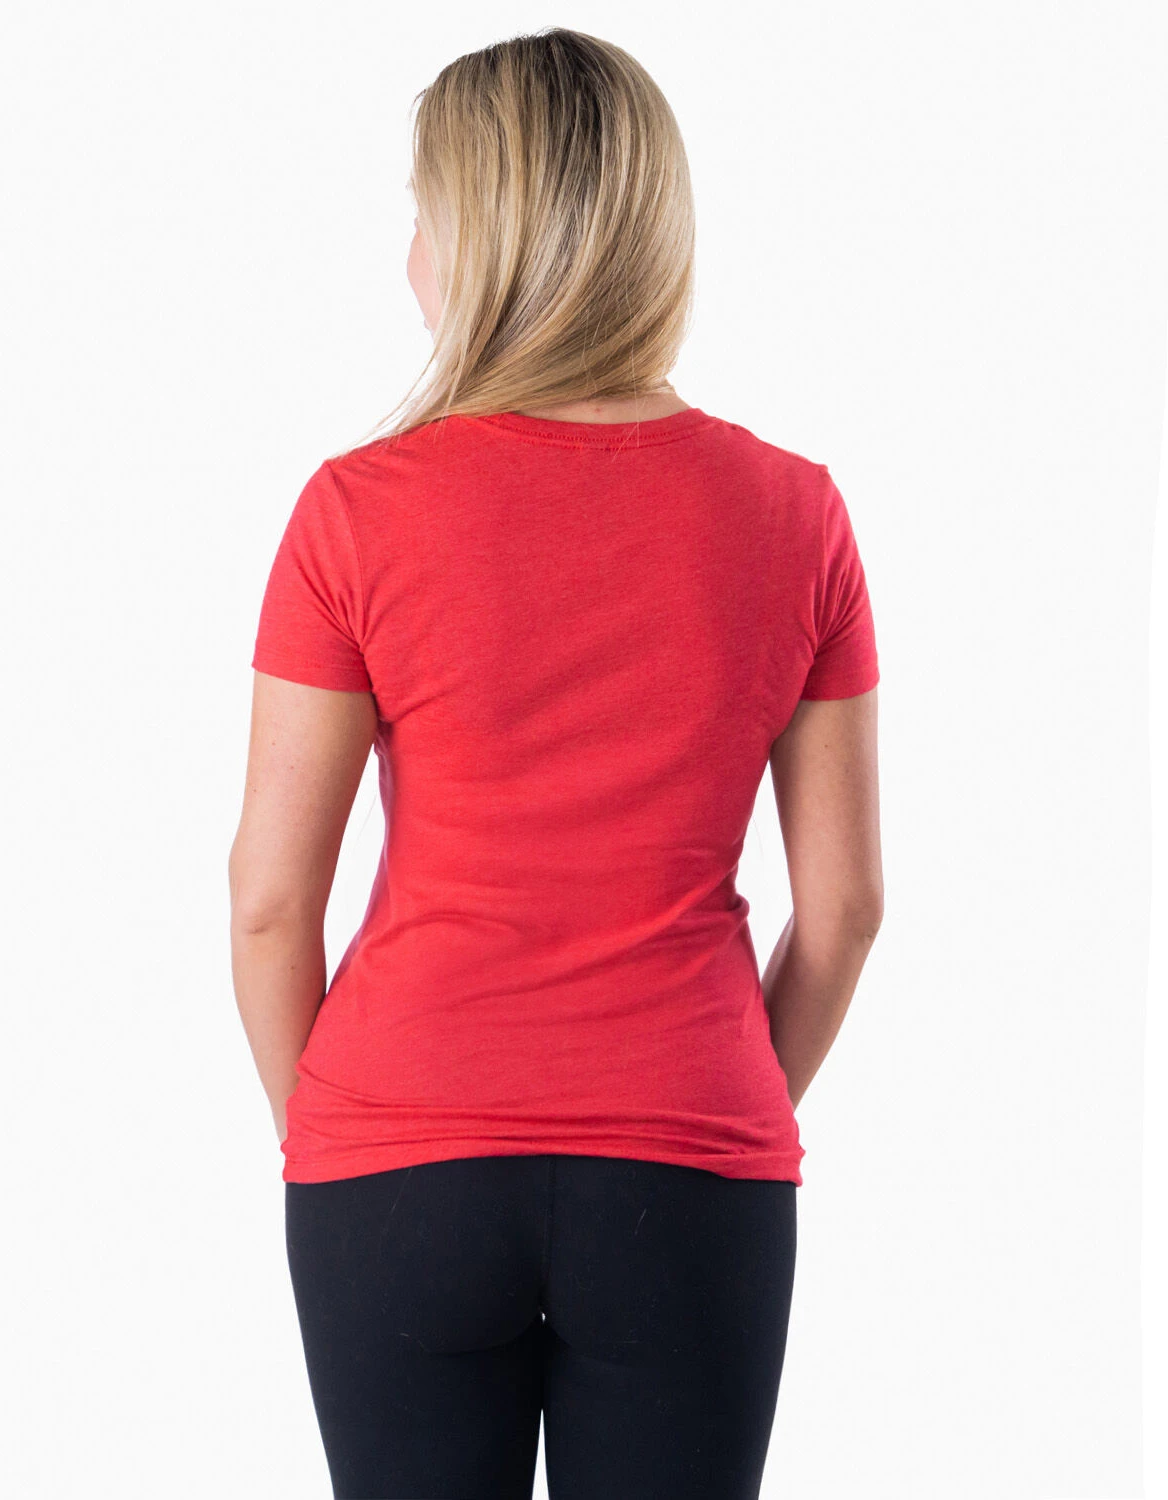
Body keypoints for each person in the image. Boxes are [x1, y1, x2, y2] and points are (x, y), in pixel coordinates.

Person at [228, 25, 882, 1500]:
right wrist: (712, 1104)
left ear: (483, 237)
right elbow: (845, 909)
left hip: (398, 1156)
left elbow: (269, 902)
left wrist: (336, 1133)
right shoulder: (797, 515)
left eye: (422, 217)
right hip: (692, 1162)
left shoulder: (354, 511)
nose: (408, 259)